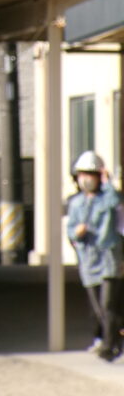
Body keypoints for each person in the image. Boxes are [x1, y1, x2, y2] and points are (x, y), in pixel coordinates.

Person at [67, 150, 123, 361]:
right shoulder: (76, 203)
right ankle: (113, 338)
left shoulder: (108, 198)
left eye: (90, 174)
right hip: (88, 261)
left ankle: (108, 346)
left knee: (108, 304)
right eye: (82, 175)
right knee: (98, 308)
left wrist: (108, 183)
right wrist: (77, 233)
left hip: (108, 259)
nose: (86, 179)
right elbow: (71, 231)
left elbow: (114, 201)